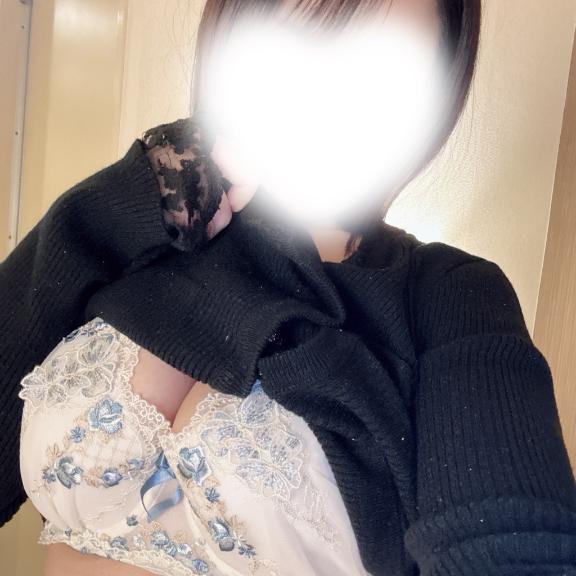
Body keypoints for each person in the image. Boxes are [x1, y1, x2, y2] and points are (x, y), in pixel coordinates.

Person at [2, 1, 575, 576]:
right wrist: (129, 197)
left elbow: (510, 541)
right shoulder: (149, 218)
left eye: (385, 70)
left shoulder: (450, 294)